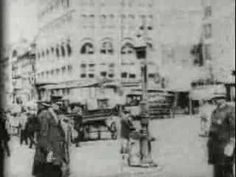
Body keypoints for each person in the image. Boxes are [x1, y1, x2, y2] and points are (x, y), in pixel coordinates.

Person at [32, 102, 69, 177]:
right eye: (57, 104)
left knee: (55, 168)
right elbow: (43, 133)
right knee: (50, 169)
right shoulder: (45, 115)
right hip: (50, 147)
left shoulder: (53, 114)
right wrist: (48, 149)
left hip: (55, 146)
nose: (59, 106)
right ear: (51, 105)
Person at [207, 95, 235, 177]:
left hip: (226, 145)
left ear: (223, 99)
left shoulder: (230, 110)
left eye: (217, 99)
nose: (215, 101)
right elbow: (213, 127)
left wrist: (232, 142)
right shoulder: (215, 111)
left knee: (227, 169)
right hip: (215, 147)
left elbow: (233, 127)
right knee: (217, 171)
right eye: (214, 99)